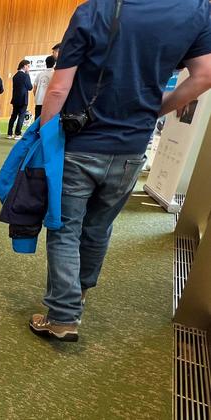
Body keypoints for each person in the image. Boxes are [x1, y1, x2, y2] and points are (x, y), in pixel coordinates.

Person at [30, 0, 211, 341]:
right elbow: (204, 74)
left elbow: (58, 88)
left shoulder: (93, 10)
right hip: (131, 147)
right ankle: (80, 294)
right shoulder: (197, 10)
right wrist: (156, 110)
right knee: (99, 227)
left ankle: (63, 316)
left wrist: (44, 140)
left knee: (66, 228)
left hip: (81, 142)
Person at [7, 59, 32, 139]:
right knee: (21, 116)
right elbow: (30, 87)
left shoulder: (15, 76)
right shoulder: (25, 76)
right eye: (28, 66)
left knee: (13, 116)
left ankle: (9, 133)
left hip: (15, 98)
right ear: (24, 66)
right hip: (23, 99)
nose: (29, 68)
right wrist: (28, 75)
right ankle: (17, 134)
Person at [33, 55, 55, 121]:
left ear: (45, 63)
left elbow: (34, 89)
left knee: (37, 120)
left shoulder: (40, 74)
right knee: (47, 121)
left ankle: (36, 131)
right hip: (49, 102)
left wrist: (37, 97)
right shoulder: (54, 74)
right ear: (54, 63)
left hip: (39, 101)